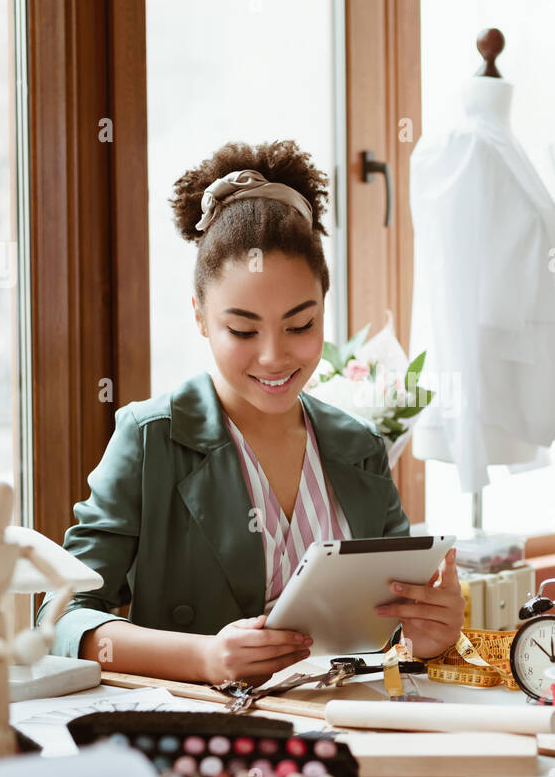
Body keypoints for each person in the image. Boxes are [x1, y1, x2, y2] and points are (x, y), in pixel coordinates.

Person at [37, 139, 464, 684]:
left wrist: (426, 637)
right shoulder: (150, 440)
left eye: (300, 325)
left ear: (324, 309)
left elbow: (391, 635)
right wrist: (204, 658)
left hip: (344, 729)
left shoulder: (357, 445)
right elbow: (58, 620)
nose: (274, 356)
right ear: (199, 316)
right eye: (241, 330)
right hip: (208, 738)